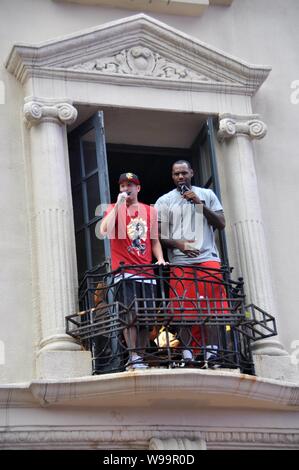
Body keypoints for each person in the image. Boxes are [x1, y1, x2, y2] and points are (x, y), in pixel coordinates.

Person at [155, 160, 227, 367]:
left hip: (208, 259)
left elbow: (221, 224)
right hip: (180, 261)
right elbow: (159, 234)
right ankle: (188, 354)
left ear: (192, 173)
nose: (180, 177)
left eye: (184, 173)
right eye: (176, 174)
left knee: (210, 309)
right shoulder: (164, 200)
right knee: (182, 310)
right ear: (172, 176)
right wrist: (180, 244)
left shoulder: (207, 194)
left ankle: (211, 353)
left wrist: (199, 204)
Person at [100, 172, 166, 370]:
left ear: (138, 188)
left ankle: (141, 356)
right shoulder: (113, 208)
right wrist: (119, 206)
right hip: (124, 272)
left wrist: (161, 258)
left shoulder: (149, 210)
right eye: (122, 186)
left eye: (130, 185)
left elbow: (154, 240)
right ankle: (133, 356)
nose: (125, 189)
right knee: (130, 316)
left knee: (146, 318)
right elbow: (104, 230)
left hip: (146, 272)